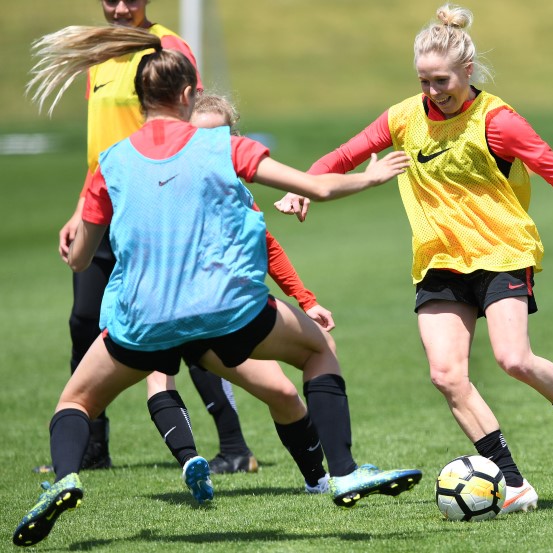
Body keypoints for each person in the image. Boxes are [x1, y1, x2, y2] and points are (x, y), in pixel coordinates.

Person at [14, 25, 421, 547]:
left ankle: (65, 477)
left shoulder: (110, 163)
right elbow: (318, 186)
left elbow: (80, 260)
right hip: (226, 314)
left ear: (139, 101)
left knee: (74, 403)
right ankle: (341, 472)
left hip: (144, 322)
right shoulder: (223, 146)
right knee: (319, 352)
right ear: (188, 95)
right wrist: (372, 175)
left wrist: (70, 245)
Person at [276, 4, 553, 514]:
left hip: (501, 253)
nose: (434, 91)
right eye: (424, 81)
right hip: (439, 261)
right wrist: (306, 187)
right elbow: (342, 155)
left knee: (513, 358)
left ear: (467, 71)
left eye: (443, 80)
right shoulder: (405, 117)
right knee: (446, 375)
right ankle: (514, 484)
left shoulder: (499, 122)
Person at [144, 92, 341, 492]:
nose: (211, 146)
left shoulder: (235, 190)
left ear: (232, 139)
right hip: (168, 308)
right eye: (200, 136)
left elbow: (266, 245)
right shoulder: (160, 185)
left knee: (283, 392)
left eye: (220, 136)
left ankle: (318, 479)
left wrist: (307, 299)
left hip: (223, 315)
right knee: (156, 376)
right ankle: (189, 460)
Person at [49, 0, 204, 472]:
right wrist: (81, 207)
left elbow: (188, 124)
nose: (119, 8)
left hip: (148, 208)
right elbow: (100, 145)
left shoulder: (167, 46)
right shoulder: (99, 55)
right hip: (102, 209)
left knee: (188, 329)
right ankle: (92, 451)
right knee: (83, 320)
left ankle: (235, 447)